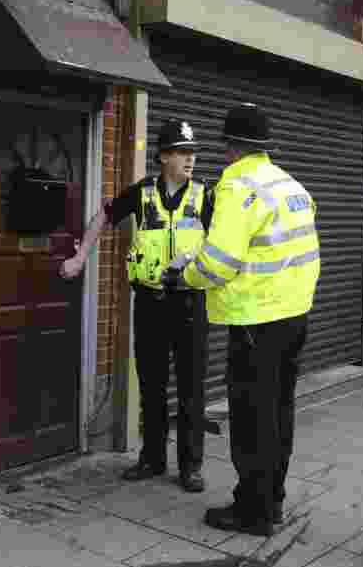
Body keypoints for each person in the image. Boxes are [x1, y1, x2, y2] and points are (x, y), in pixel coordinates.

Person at [167, 103, 320, 537]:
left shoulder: (237, 186)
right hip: (294, 315)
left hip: (257, 320)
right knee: (279, 414)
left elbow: (220, 262)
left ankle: (253, 511)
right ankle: (271, 501)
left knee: (252, 419)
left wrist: (186, 275)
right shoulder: (289, 184)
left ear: (231, 147)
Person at [59, 119, 212, 492]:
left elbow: (225, 243)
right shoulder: (142, 194)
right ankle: (153, 458)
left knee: (192, 389)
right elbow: (103, 216)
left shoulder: (206, 197)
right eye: (181, 152)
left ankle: (190, 466)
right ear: (163, 157)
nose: (189, 160)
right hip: (150, 303)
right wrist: (80, 257)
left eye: (192, 153)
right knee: (152, 384)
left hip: (191, 302)